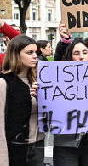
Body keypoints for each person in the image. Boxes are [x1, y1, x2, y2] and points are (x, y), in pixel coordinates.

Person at [53, 38, 88, 166]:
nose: (81, 57)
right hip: (65, 142)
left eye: (85, 52)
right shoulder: (58, 78)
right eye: (76, 53)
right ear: (70, 56)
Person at [0, 35, 43, 166]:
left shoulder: (39, 81)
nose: (35, 56)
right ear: (16, 55)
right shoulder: (4, 82)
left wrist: (41, 98)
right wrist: (3, 160)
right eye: (30, 53)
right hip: (15, 148)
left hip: (39, 146)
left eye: (36, 52)